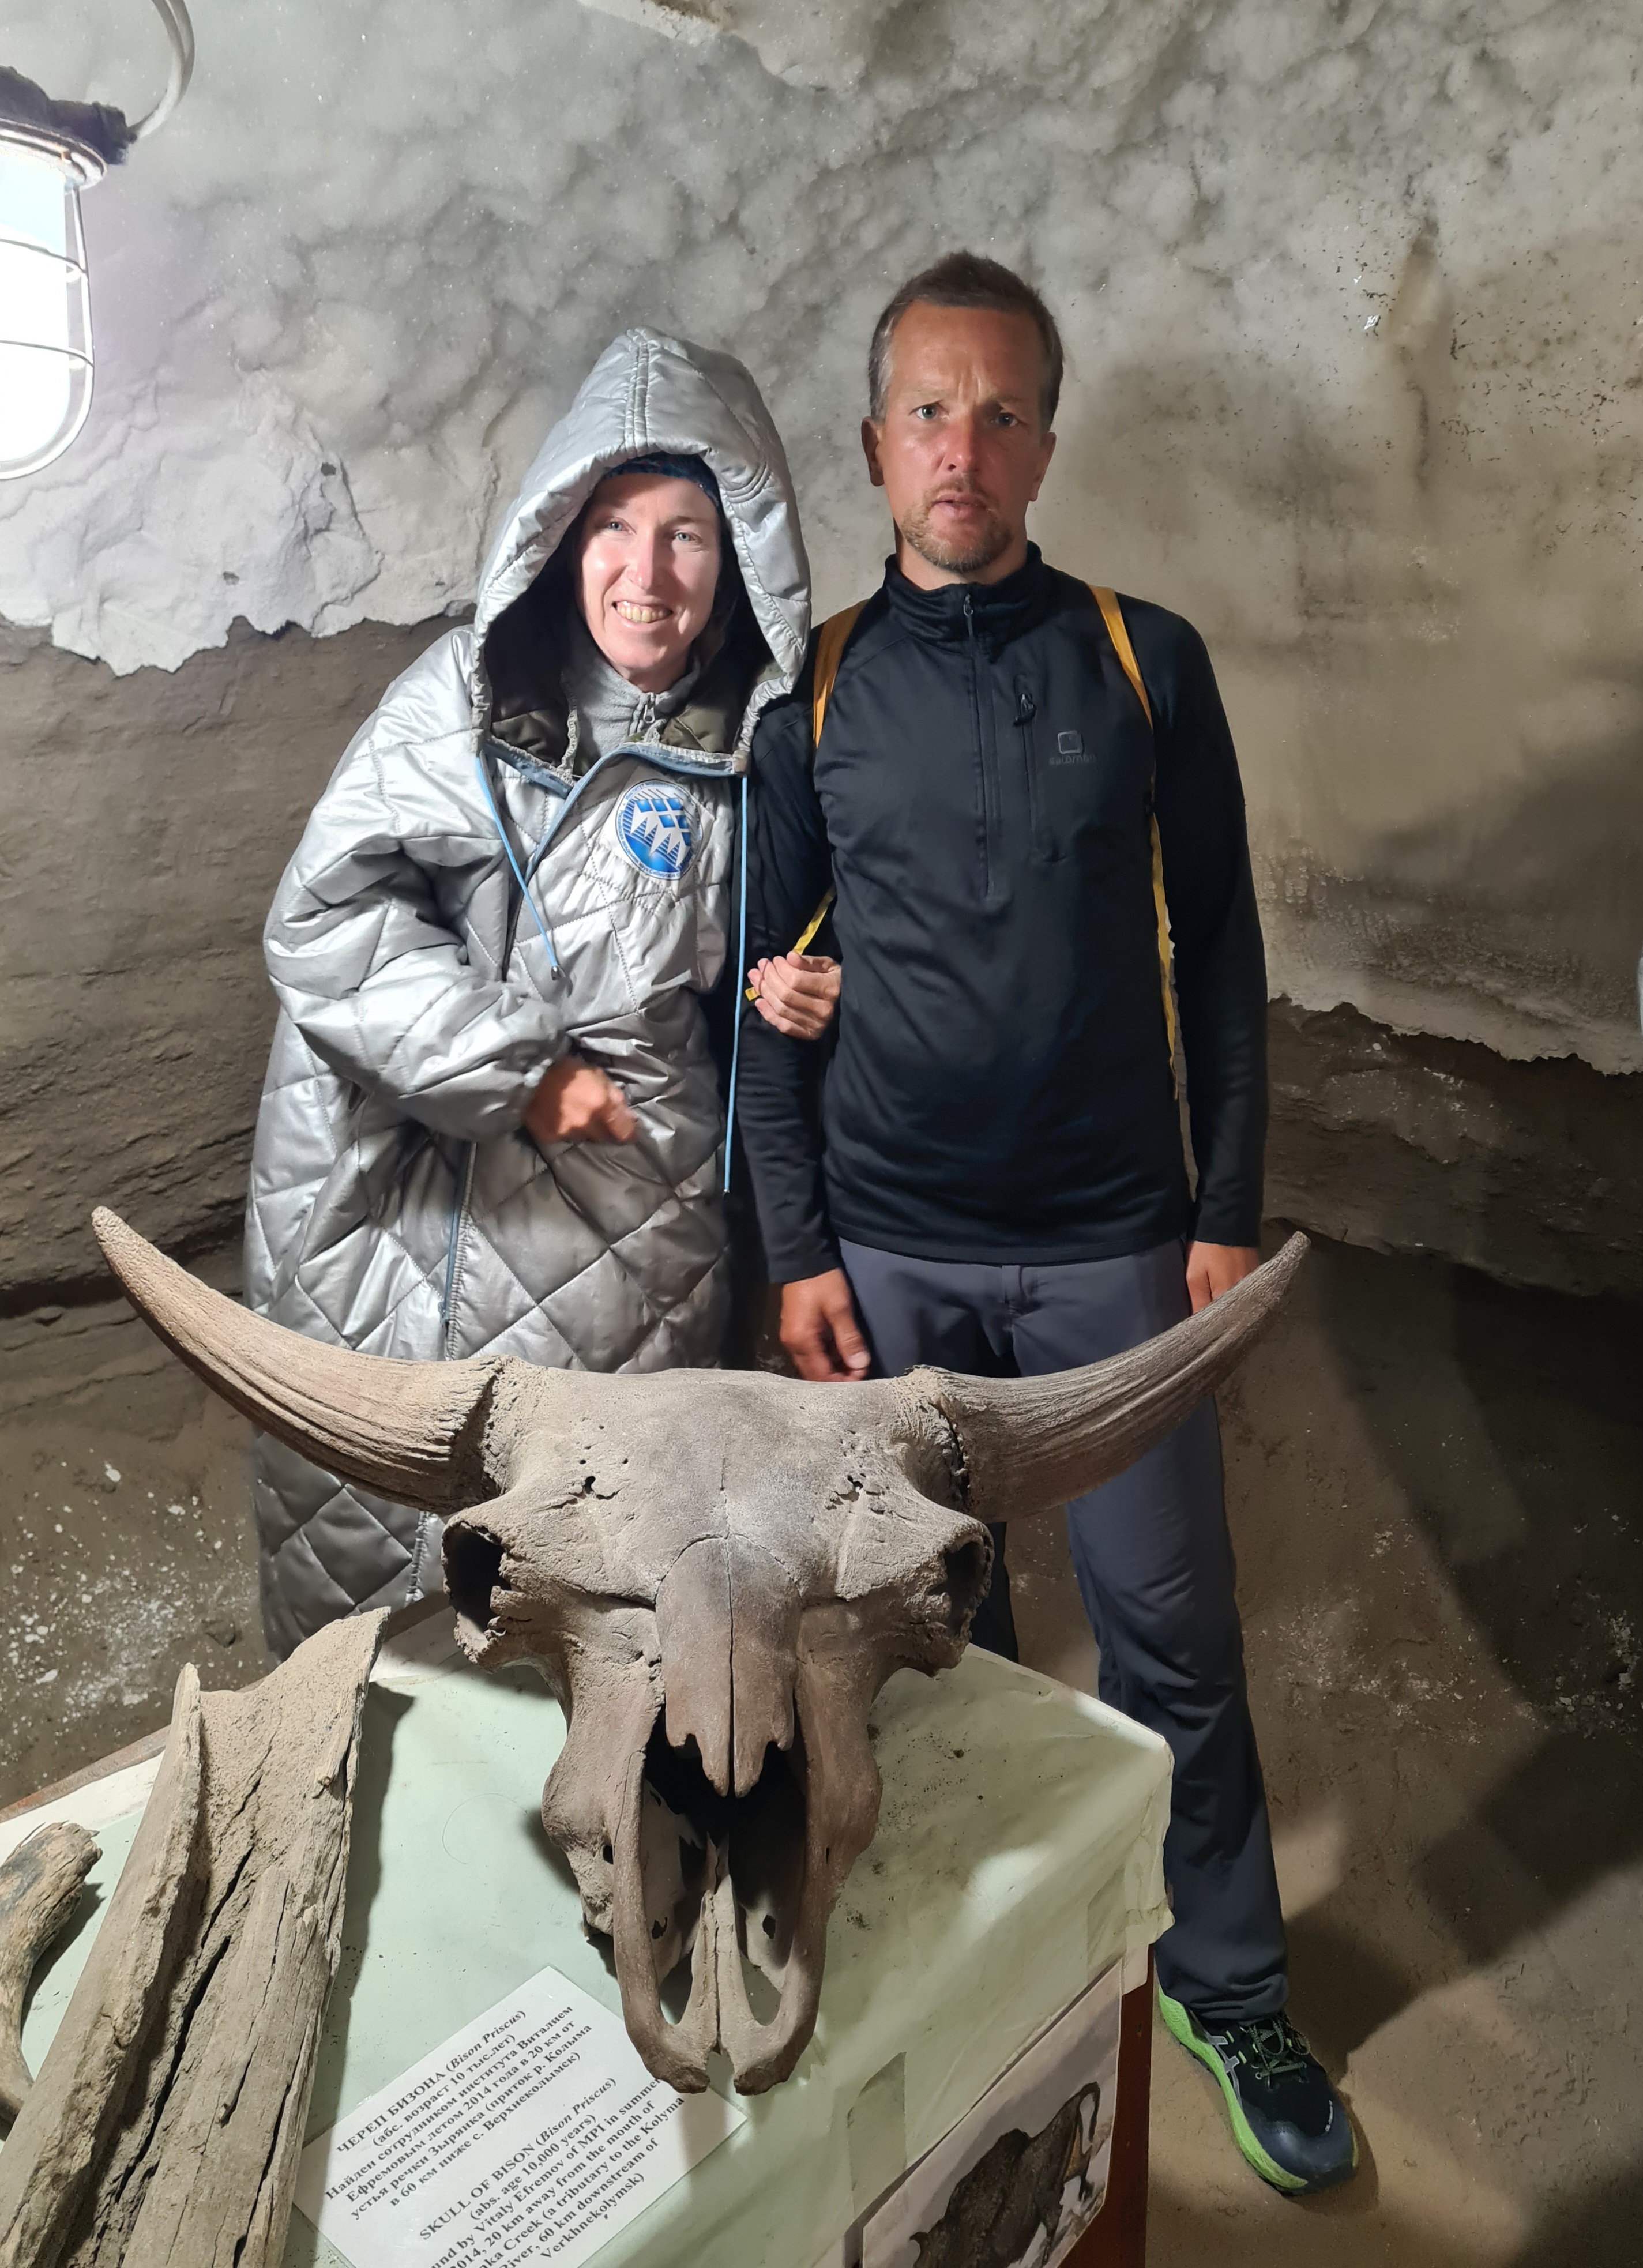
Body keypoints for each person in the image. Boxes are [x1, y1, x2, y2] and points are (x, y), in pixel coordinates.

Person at [736, 254, 1355, 2196]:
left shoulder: (1143, 661)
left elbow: (1225, 951)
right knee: (932, 1628)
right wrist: (800, 1247)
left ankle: (1230, 1982)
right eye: (931, 411)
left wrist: (1221, 1208)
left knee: (1171, 1634)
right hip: (892, 1248)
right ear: (875, 445)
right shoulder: (811, 693)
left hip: (1111, 1242)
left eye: (1001, 413)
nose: (965, 448)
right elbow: (766, 997)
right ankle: (984, 1957)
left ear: (1046, 445)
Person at [244, 327, 836, 1660]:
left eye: (687, 535)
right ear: (563, 536)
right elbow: (327, 917)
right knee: (384, 1602)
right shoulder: (460, 700)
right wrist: (517, 1068)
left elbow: (810, 947)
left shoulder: (770, 746)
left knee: (603, 1617)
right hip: (410, 1226)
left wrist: (818, 984)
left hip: (638, 1253)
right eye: (613, 527)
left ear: (740, 554)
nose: (646, 573)